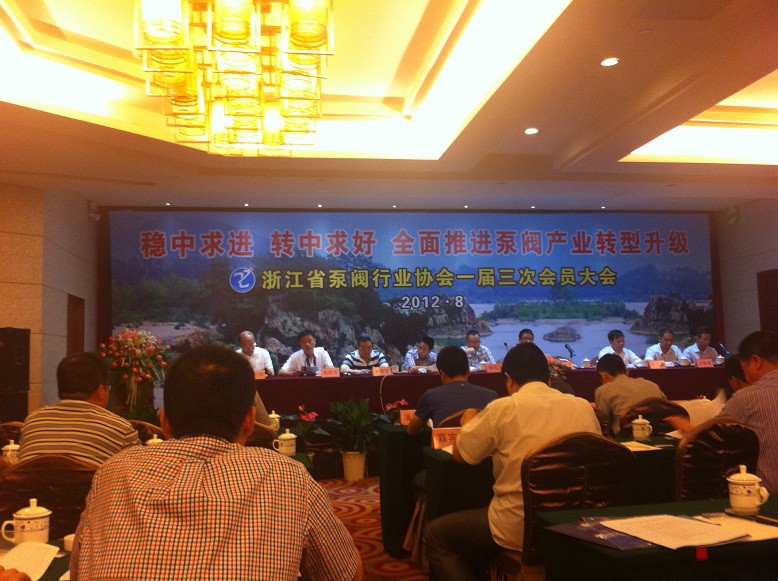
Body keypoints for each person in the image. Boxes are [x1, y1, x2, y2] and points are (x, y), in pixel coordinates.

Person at [70, 344, 363, 581]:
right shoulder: (288, 477)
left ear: (164, 423)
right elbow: (346, 574)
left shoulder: (113, 472)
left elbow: (79, 571)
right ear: (249, 422)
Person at [425, 343, 600, 581]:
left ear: (508, 379)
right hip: (573, 524)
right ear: (549, 376)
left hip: (518, 527)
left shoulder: (503, 408)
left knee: (436, 537)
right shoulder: (582, 407)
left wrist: (468, 424)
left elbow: (461, 455)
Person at [18, 352, 139, 468]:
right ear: (101, 391)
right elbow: (135, 476)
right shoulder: (121, 429)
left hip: (33, 484)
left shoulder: (31, 422)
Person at [718, 331, 778, 494]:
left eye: (744, 369)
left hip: (767, 500)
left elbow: (710, 438)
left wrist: (682, 423)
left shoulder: (746, 398)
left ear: (756, 361)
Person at [406, 346, 498, 435]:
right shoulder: (492, 396)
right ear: (468, 372)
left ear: (441, 374)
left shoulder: (431, 396)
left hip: (447, 446)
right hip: (483, 446)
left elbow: (411, 430)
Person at [594, 353, 666, 436]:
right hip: (660, 437)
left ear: (604, 375)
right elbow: (668, 409)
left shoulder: (604, 390)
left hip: (624, 441)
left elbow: (602, 425)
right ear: (627, 372)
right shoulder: (652, 385)